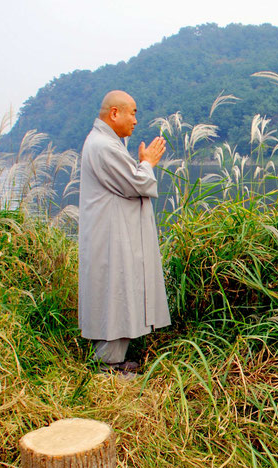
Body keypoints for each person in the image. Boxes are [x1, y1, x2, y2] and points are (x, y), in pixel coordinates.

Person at [78, 90, 170, 375]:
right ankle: (108, 366)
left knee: (115, 291)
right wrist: (148, 163)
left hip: (111, 235)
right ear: (114, 113)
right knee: (113, 292)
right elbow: (138, 183)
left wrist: (141, 163)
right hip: (110, 238)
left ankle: (113, 361)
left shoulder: (105, 143)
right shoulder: (103, 146)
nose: (135, 120)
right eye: (132, 112)